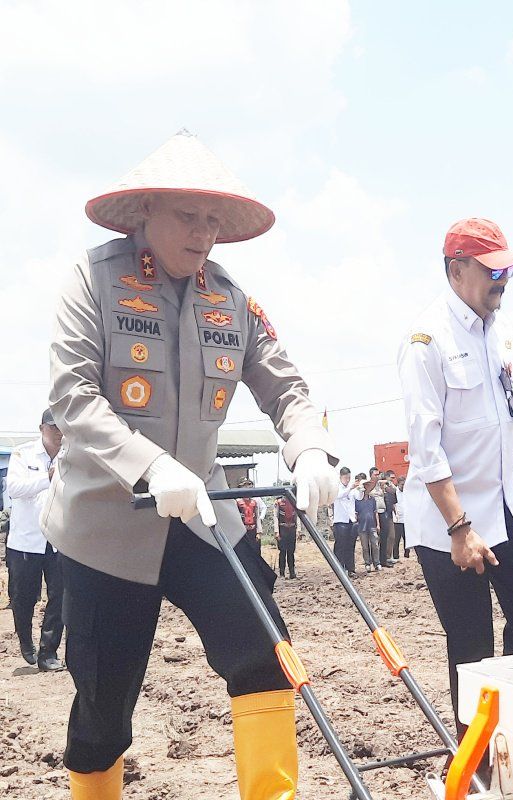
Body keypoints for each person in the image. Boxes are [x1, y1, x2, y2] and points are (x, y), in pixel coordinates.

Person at [45, 130, 339, 798]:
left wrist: (308, 445)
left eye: (213, 220)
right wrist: (148, 466)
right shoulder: (92, 282)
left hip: (204, 519)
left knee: (266, 654)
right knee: (103, 703)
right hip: (106, 528)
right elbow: (73, 395)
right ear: (145, 209)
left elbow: (284, 387)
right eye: (187, 216)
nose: (203, 234)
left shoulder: (230, 299)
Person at [399, 217, 513, 718]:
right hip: (451, 521)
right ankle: (474, 755)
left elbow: (510, 419)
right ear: (455, 271)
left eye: (507, 270)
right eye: (492, 271)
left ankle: (511, 717)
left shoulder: (502, 333)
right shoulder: (426, 342)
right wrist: (459, 527)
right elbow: (427, 449)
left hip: (508, 503)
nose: (502, 281)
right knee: (471, 646)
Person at [6, 409, 66, 671]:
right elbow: (14, 488)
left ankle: (48, 652)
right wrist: (47, 478)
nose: (59, 432)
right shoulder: (23, 454)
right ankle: (26, 643)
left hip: (59, 540)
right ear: (42, 428)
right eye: (53, 427)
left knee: (60, 598)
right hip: (25, 542)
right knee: (23, 598)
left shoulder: (71, 456)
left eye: (62, 426)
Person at [333, 467, 360, 575]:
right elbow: (339, 495)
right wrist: (350, 488)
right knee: (341, 546)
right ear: (340, 477)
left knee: (350, 545)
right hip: (340, 521)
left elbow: (358, 497)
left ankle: (350, 568)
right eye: (345, 478)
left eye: (349, 478)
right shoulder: (336, 487)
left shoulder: (351, 488)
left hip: (351, 520)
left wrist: (361, 489)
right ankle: (340, 568)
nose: (347, 480)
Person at [354, 472, 381, 571]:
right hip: (362, 526)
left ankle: (377, 563)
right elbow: (356, 514)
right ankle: (367, 563)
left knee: (375, 545)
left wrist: (378, 524)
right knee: (365, 547)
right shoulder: (357, 501)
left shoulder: (372, 500)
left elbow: (375, 513)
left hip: (372, 525)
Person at [235, 478, 261, 556]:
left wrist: (259, 532)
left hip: (253, 530)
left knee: (256, 551)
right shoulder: (237, 502)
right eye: (245, 487)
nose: (247, 489)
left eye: (249, 487)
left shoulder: (254, 502)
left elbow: (257, 517)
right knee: (244, 552)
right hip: (243, 531)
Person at [276, 493, 298, 580]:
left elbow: (297, 516)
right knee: (282, 551)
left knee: (291, 552)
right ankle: (282, 573)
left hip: (292, 528)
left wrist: (298, 529)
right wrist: (276, 531)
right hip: (282, 528)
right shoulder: (278, 502)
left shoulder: (294, 501)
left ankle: (292, 572)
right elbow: (276, 517)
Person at [380, 470, 398, 566]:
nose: (392, 479)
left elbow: (395, 496)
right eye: (391, 477)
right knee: (385, 537)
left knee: (392, 536)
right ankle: (384, 558)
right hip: (383, 514)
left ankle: (388, 556)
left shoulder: (391, 488)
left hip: (390, 515)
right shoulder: (382, 488)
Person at [391, 474, 410, 559]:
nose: (403, 486)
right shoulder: (394, 492)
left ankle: (407, 554)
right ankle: (396, 556)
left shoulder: (407, 492)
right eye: (402, 484)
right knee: (396, 539)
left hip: (406, 518)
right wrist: (395, 514)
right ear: (398, 484)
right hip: (397, 519)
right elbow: (393, 504)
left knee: (406, 538)